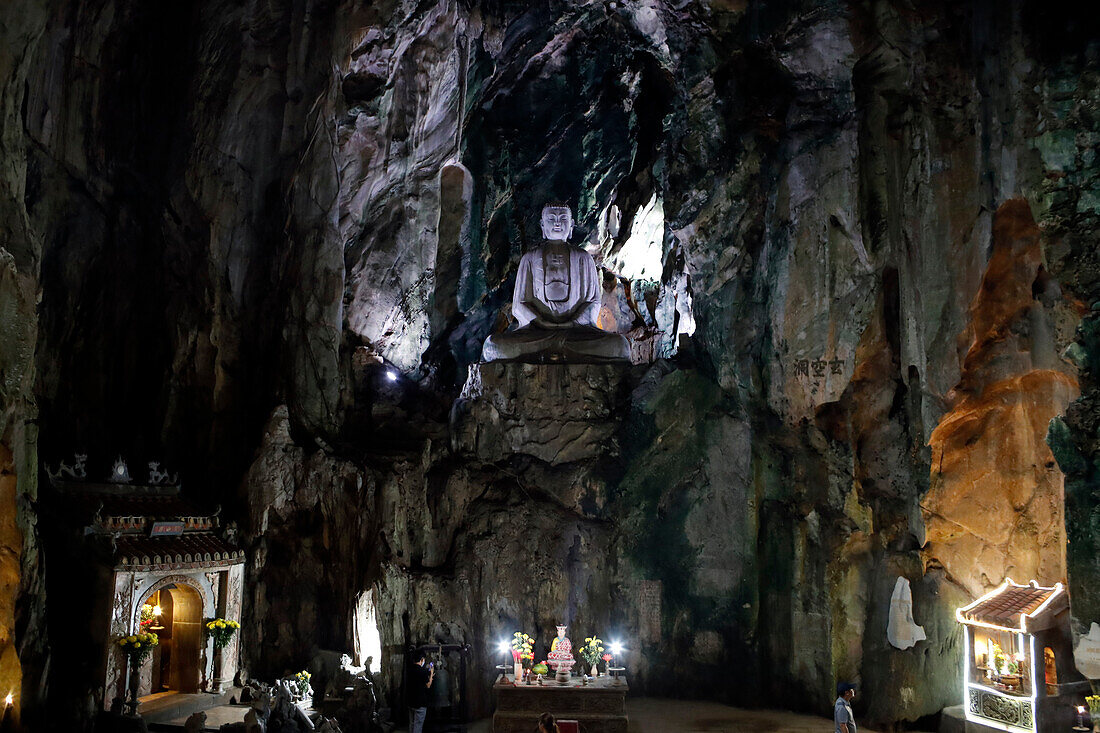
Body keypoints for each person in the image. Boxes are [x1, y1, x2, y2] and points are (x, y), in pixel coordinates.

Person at [408, 650, 434, 733]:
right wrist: (431, 675)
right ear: (422, 659)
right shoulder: (422, 671)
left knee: (412, 724)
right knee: (418, 725)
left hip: (411, 702)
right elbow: (428, 685)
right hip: (420, 703)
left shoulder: (409, 669)